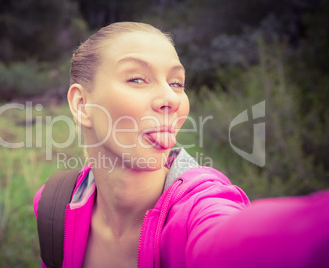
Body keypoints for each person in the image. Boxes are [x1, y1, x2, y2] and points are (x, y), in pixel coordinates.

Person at [34, 21, 250, 267]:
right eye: (137, 79)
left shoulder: (200, 209)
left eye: (176, 83)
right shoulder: (54, 206)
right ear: (82, 105)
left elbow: (237, 246)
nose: (171, 98)